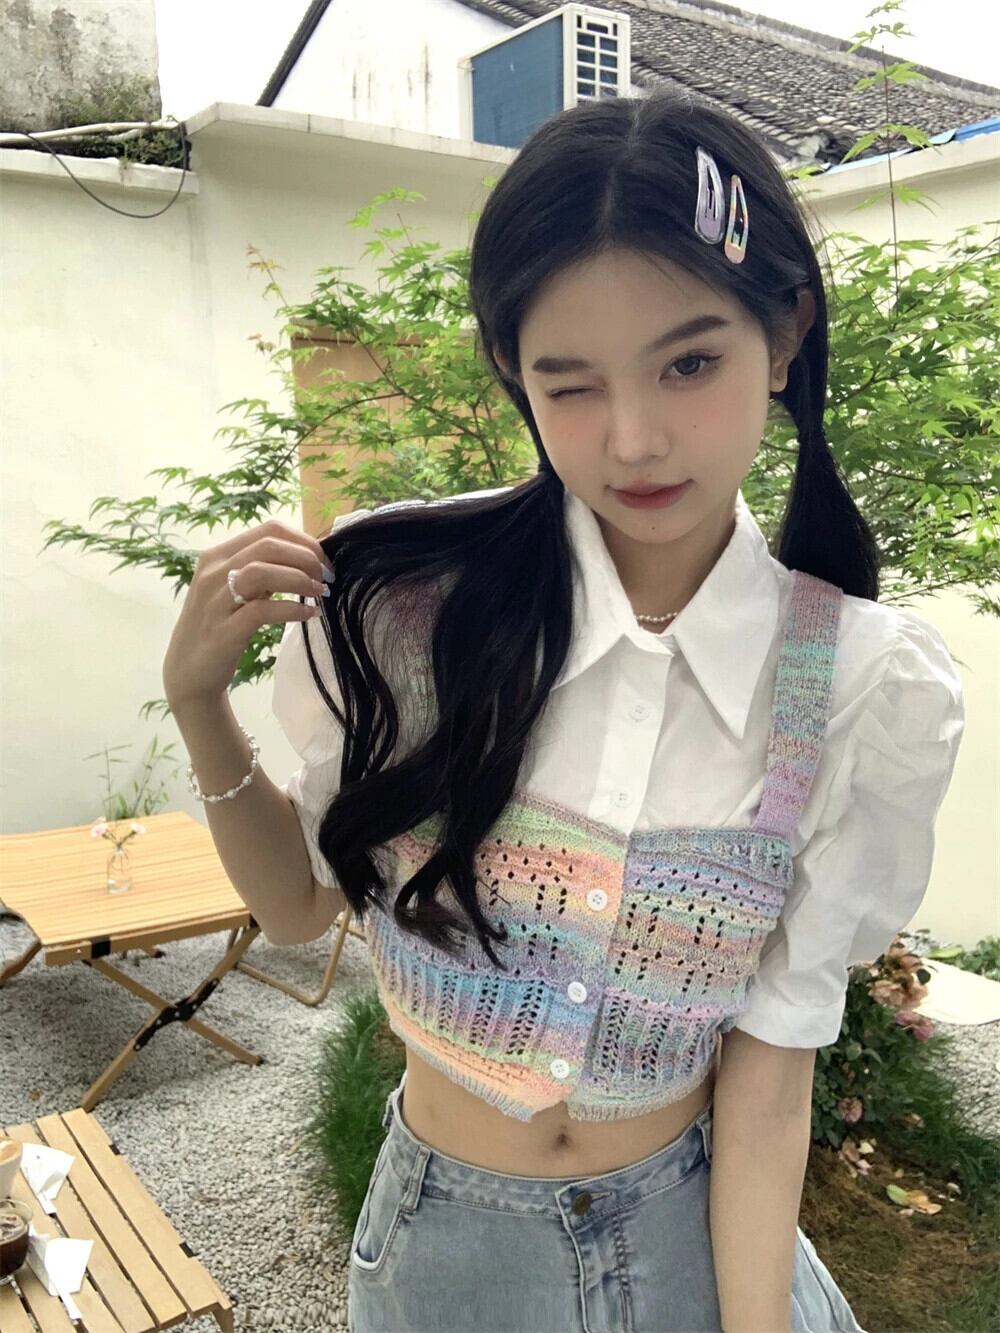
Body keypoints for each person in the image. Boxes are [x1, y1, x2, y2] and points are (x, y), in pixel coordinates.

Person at [163, 90, 965, 1333]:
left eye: (689, 362)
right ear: (512, 373)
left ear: (783, 334)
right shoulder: (406, 607)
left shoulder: (857, 685)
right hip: (443, 1258)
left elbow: (768, 1072)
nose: (634, 439)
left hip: (692, 1246)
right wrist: (197, 699)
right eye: (570, 382)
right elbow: (295, 909)